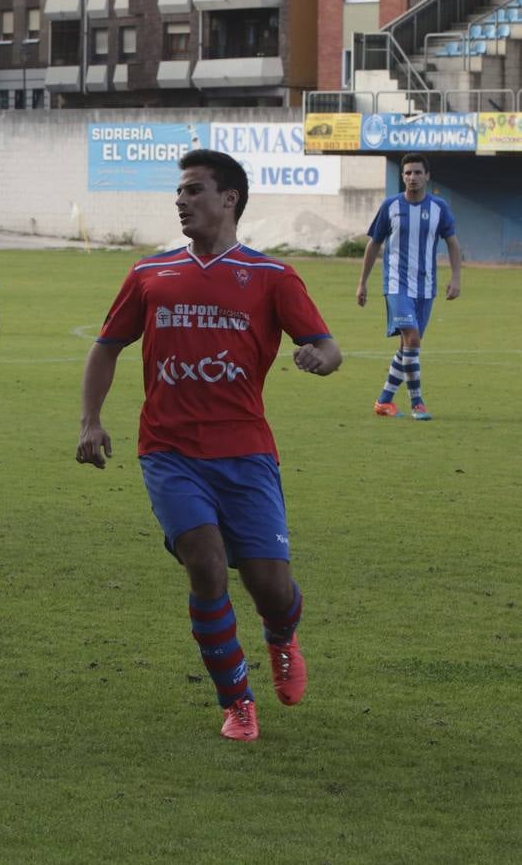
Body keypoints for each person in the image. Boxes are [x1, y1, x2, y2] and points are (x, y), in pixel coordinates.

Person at [76, 149, 342, 743]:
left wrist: (316, 358)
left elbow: (328, 346)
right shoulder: (150, 273)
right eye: (179, 192)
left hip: (246, 452)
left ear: (230, 199)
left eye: (194, 190)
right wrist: (90, 421)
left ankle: (280, 635)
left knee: (272, 587)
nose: (181, 200)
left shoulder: (273, 277)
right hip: (169, 452)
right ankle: (237, 700)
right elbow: (106, 346)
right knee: (206, 564)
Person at [356, 152, 462, 421]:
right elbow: (374, 244)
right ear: (401, 177)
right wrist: (363, 282)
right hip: (396, 285)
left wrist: (456, 277)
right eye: (407, 173)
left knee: (408, 347)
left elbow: (452, 242)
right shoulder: (390, 206)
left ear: (427, 176)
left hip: (426, 287)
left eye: (417, 172)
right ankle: (418, 403)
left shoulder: (439, 207)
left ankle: (383, 402)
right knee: (412, 339)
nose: (412, 177)